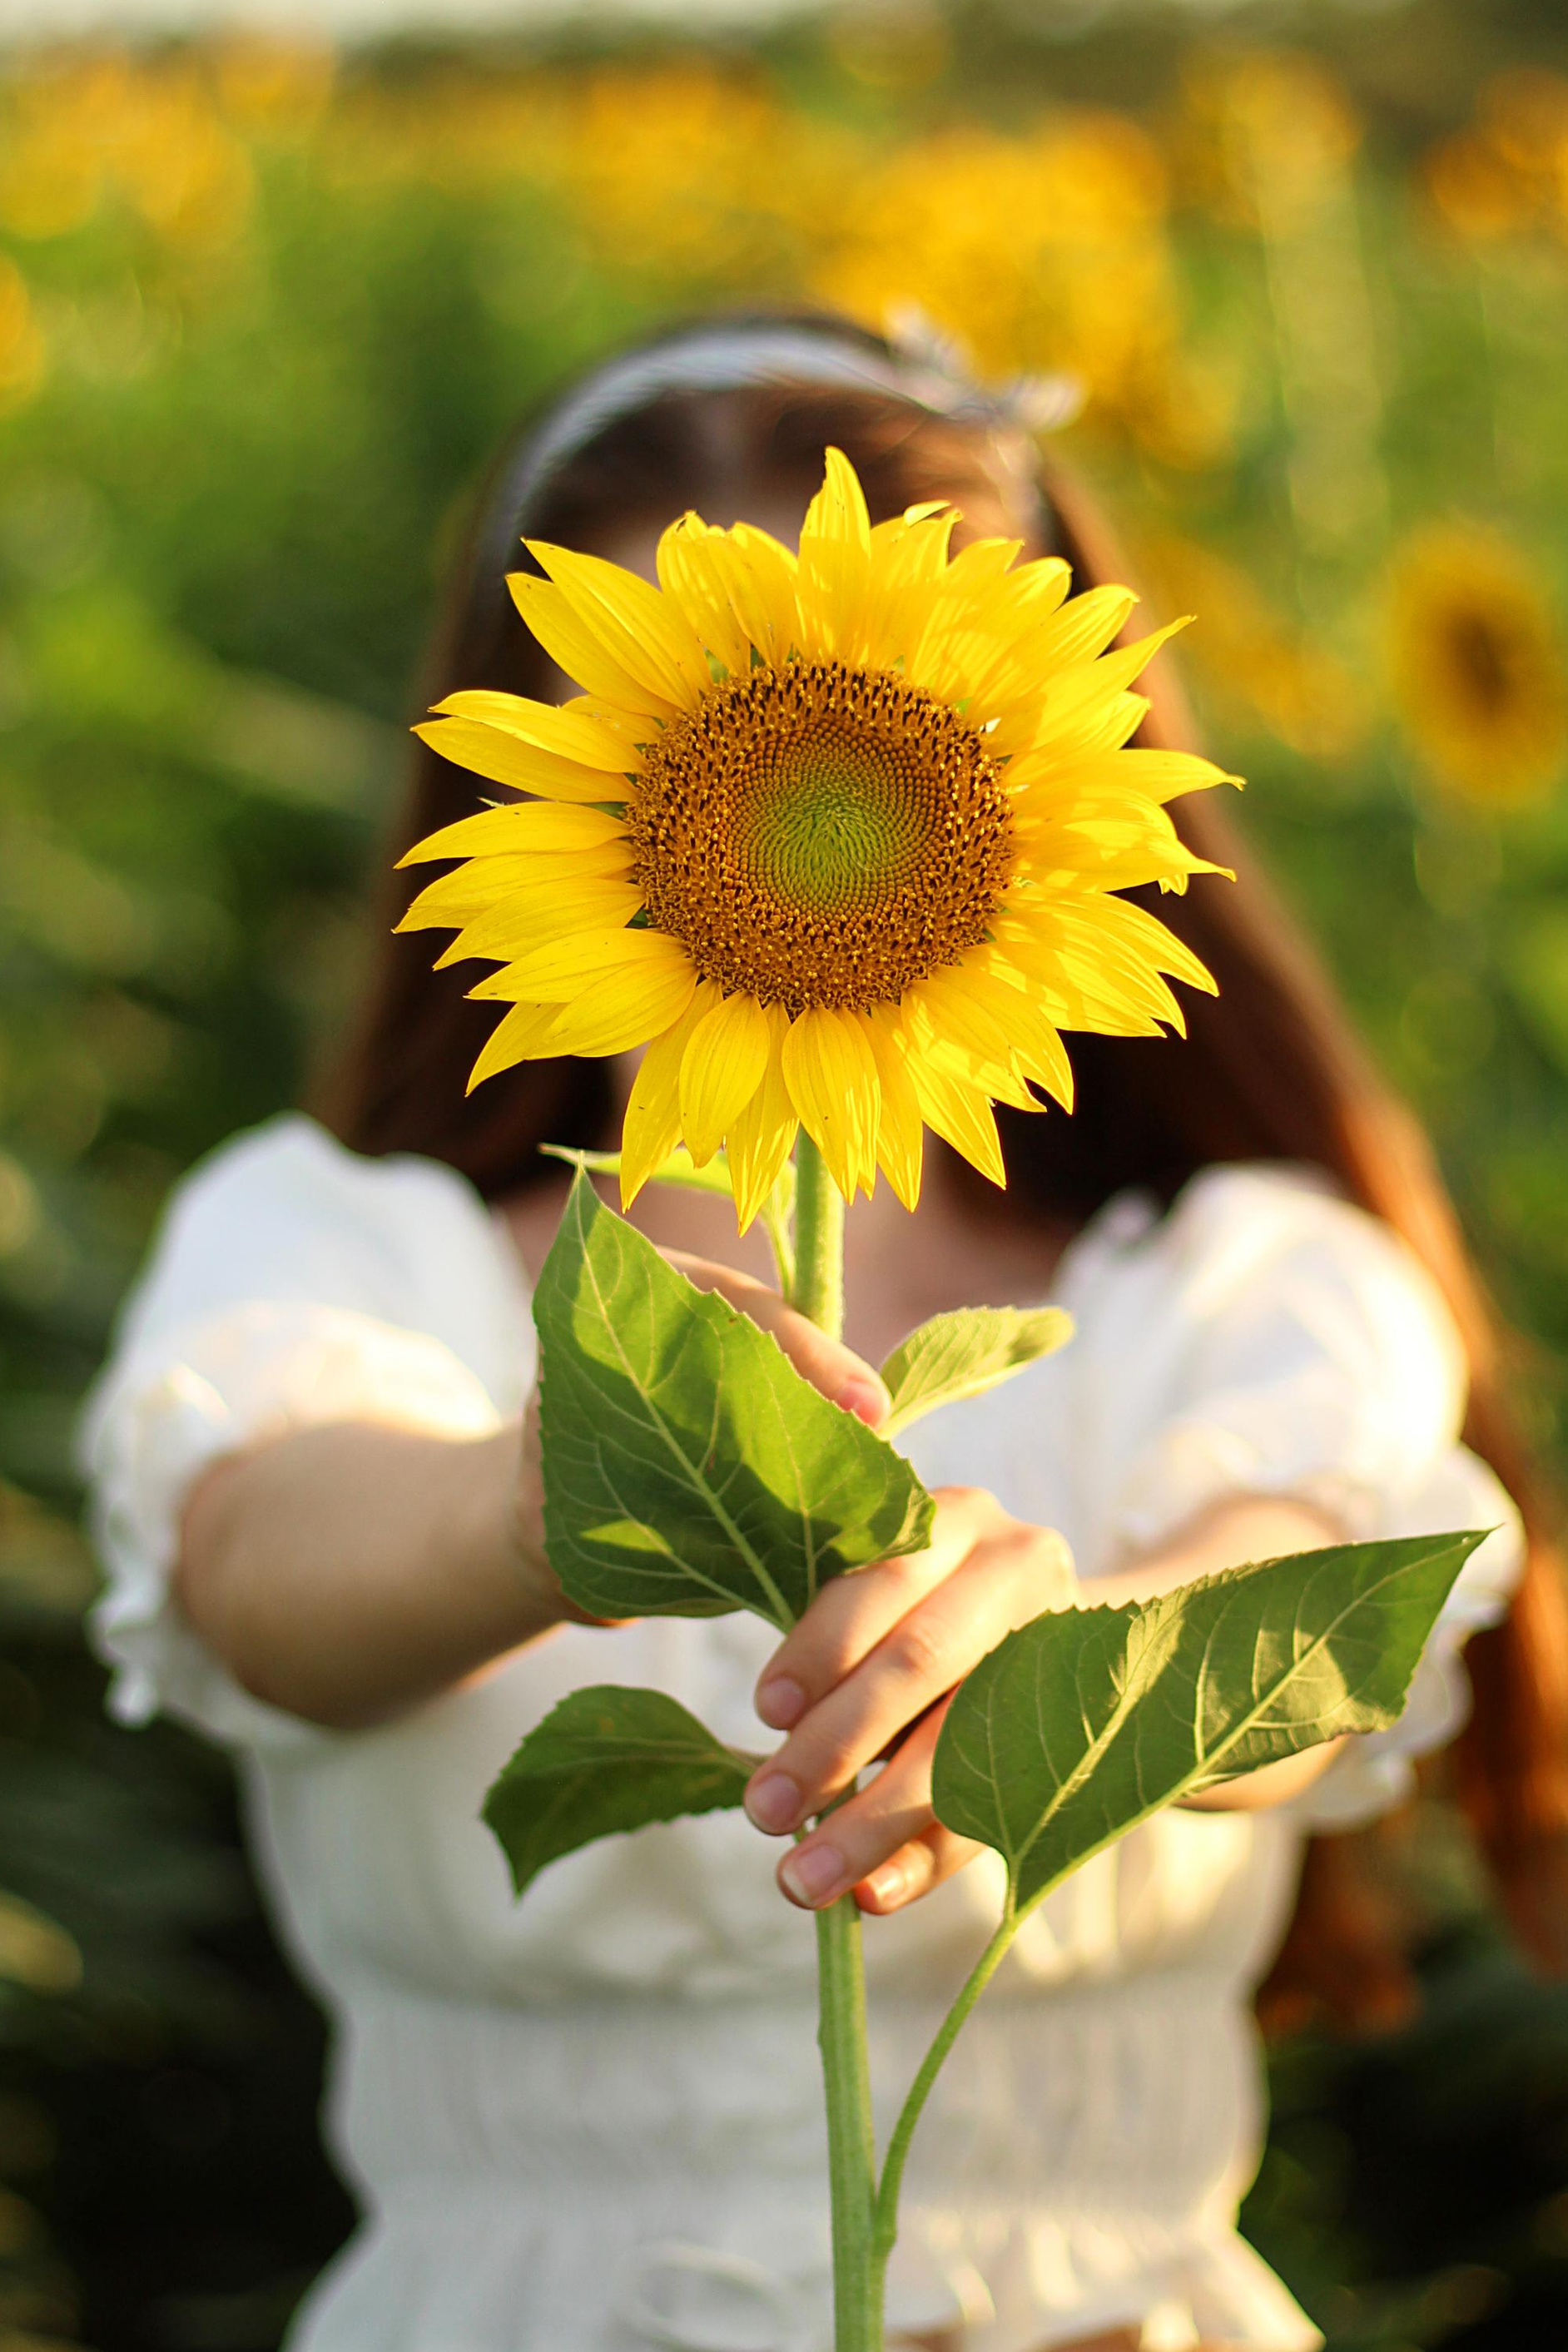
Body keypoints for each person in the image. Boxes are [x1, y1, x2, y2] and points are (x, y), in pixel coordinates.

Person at [80, 310, 1568, 2352]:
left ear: (1064, 764)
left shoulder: (1234, 1280)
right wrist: (542, 1503)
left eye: (872, 747)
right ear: (528, 768)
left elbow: (1314, 1589)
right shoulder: (343, 1252)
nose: (821, 817)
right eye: (704, 724)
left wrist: (1077, 1664)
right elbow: (258, 1559)